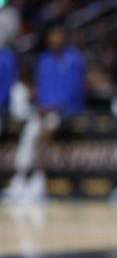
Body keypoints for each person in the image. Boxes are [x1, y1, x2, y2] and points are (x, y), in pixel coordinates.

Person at [3, 26, 85, 203]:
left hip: (67, 110)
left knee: (46, 128)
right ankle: (20, 178)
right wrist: (40, 105)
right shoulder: (44, 59)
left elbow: (73, 90)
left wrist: (53, 106)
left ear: (64, 37)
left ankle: (39, 180)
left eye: (58, 35)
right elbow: (42, 88)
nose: (54, 40)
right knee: (30, 131)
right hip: (44, 109)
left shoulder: (74, 59)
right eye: (51, 36)